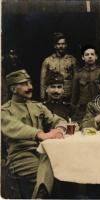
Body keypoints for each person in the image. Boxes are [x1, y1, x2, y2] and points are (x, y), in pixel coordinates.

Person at [1, 69, 67, 199]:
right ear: (14, 89)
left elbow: (59, 120)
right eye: (25, 84)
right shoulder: (4, 111)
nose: (30, 87)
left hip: (42, 152)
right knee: (43, 174)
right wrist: (40, 134)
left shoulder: (37, 107)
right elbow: (16, 127)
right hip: (20, 156)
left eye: (30, 83)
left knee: (62, 169)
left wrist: (59, 129)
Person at [71, 44, 100, 121]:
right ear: (83, 57)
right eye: (87, 54)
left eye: (92, 54)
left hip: (99, 108)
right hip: (83, 110)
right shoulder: (78, 74)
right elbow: (74, 96)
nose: (90, 56)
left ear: (96, 57)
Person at [40, 32, 77, 101]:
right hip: (52, 95)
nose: (61, 46)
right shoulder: (47, 61)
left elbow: (76, 80)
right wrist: (43, 97)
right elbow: (43, 81)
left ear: (66, 45)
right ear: (55, 46)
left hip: (67, 95)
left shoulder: (72, 60)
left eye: (63, 44)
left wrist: (74, 98)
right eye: (58, 44)